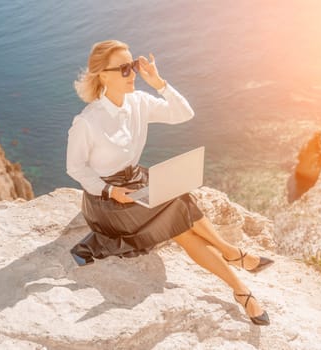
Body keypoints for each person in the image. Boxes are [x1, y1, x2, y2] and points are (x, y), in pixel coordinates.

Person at [66, 39, 274, 326]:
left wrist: (159, 83)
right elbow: (75, 167)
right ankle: (233, 257)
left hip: (136, 183)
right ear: (103, 74)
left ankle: (241, 288)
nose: (133, 74)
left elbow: (184, 113)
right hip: (108, 202)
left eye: (134, 66)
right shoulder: (87, 122)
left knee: (181, 221)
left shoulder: (138, 102)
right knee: (178, 204)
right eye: (125, 69)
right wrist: (110, 190)